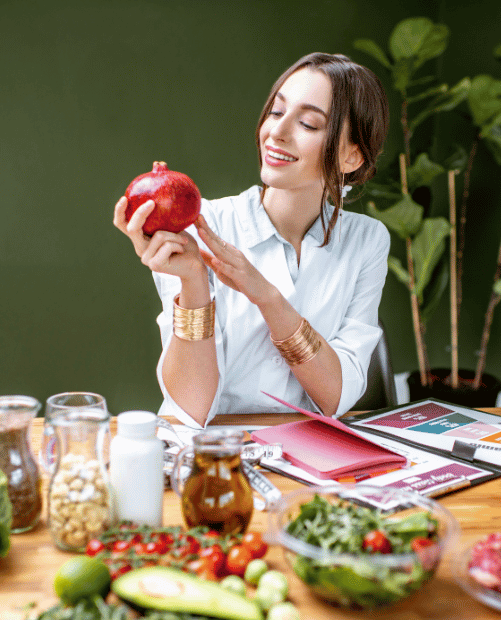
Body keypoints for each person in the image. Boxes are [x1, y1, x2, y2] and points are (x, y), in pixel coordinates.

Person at [115, 52, 390, 428]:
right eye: (277, 113)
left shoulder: (366, 240)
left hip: (308, 456)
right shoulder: (198, 226)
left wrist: (266, 295)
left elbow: (335, 398)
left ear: (351, 156)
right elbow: (193, 409)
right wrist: (193, 281)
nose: (276, 132)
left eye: (308, 123)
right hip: (210, 456)